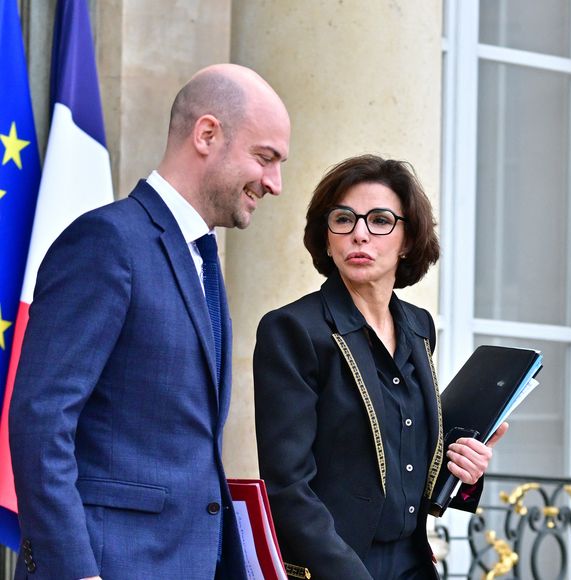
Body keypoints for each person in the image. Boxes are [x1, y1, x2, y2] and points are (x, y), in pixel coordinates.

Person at [9, 63, 291, 580]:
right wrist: (76, 572)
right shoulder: (106, 242)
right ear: (207, 134)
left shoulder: (202, 258)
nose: (274, 183)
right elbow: (40, 419)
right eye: (265, 158)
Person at [253, 154, 507, 580]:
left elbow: (406, 456)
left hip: (413, 565)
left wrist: (465, 467)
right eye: (344, 219)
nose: (359, 235)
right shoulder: (293, 330)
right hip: (333, 569)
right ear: (327, 236)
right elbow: (287, 487)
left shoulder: (419, 327)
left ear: (407, 239)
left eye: (380, 220)